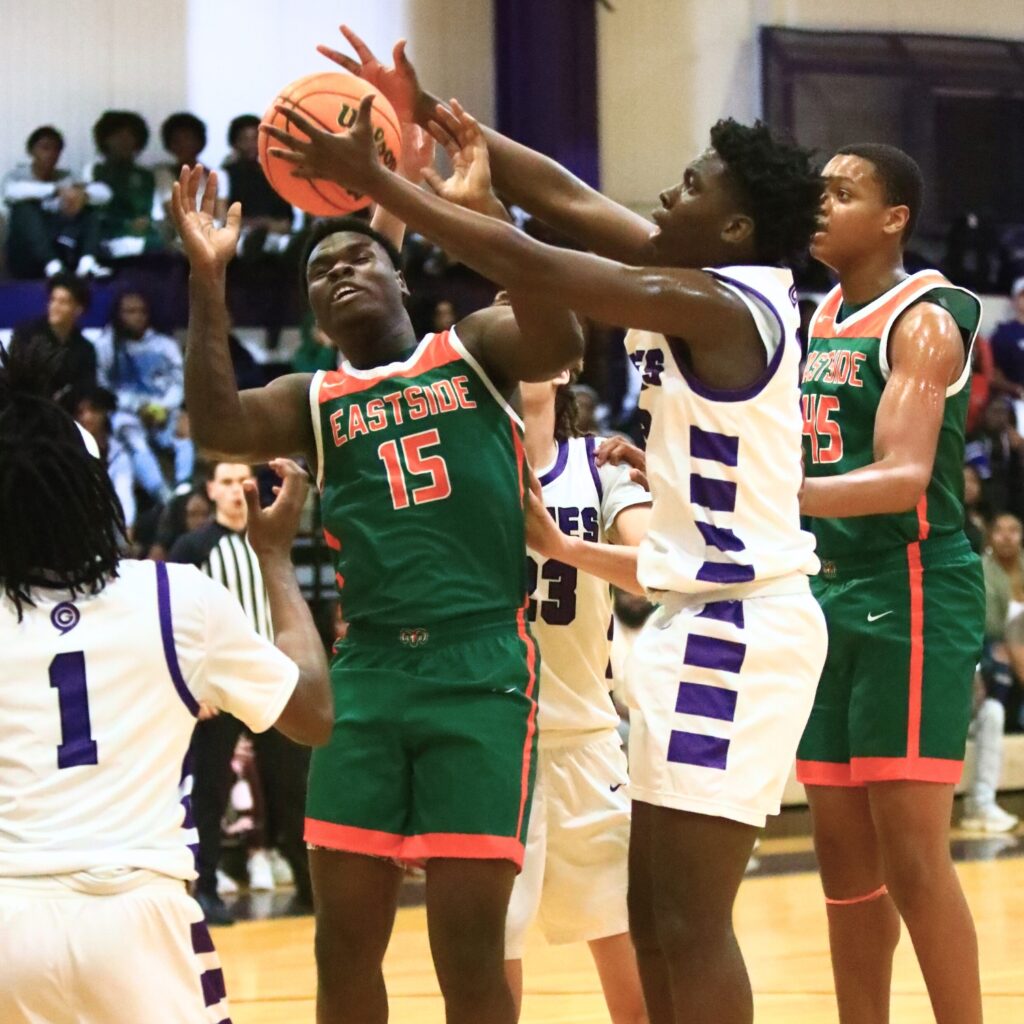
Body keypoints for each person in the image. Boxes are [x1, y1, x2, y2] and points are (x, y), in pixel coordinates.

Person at [270, 30, 826, 1024]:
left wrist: (380, 183)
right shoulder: (701, 272)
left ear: (734, 224)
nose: (666, 198)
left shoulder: (713, 303)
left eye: (689, 186)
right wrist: (430, 116)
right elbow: (564, 200)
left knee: (690, 924)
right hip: (692, 620)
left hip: (741, 628)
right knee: (652, 918)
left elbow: (524, 252)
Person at [169, 154, 582, 1023]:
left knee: (468, 953)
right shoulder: (309, 396)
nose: (341, 271)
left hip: (482, 668)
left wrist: (488, 220)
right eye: (322, 270)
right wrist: (209, 278)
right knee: (341, 946)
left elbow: (562, 339)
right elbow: (215, 426)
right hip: (367, 674)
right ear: (314, 310)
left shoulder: (472, 348)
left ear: (401, 271)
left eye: (360, 257)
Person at [0, 340, 332, 1024]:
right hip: (137, 917)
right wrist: (273, 560)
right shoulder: (173, 597)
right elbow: (313, 714)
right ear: (96, 491)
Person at [795, 144, 986, 1024]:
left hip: (911, 586)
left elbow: (904, 474)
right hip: (827, 588)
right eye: (820, 192)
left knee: (913, 855)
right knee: (842, 861)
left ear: (895, 217)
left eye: (845, 193)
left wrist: (772, 492)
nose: (822, 204)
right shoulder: (821, 316)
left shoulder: (923, 318)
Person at [511, 367, 652, 1024]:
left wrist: (566, 547)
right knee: (493, 949)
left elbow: (658, 571)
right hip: (493, 740)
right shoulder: (463, 466)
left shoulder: (597, 466)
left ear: (563, 362)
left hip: (586, 736)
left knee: (624, 937)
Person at [169, 461, 316, 924]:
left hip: (271, 679)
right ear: (211, 490)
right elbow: (173, 619)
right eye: (226, 482)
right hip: (216, 688)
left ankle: (311, 885)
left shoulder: (269, 541)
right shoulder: (193, 547)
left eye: (241, 482)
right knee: (210, 792)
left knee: (295, 787)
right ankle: (206, 889)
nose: (235, 491)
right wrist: (193, 687)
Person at [92, 289, 194, 492]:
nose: (136, 317)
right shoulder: (105, 346)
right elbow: (103, 387)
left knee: (184, 429)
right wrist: (138, 407)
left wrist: (164, 407)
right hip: (125, 413)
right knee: (132, 436)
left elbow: (179, 382)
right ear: (118, 313)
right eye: (129, 311)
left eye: (141, 311)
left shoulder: (165, 345)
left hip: (163, 410)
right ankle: (163, 495)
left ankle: (184, 487)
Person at [2, 125, 110, 279]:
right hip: (27, 256)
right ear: (31, 151)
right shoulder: (16, 176)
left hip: (61, 247)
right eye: (45, 148)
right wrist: (57, 190)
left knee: (90, 208)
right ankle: (52, 266)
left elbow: (105, 193)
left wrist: (83, 195)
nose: (51, 154)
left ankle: (87, 263)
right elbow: (12, 192)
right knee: (23, 209)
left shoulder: (67, 176)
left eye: (56, 149)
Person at [8, 273, 96, 408]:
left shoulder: (84, 348)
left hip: (66, 413)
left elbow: (85, 386)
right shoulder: (27, 335)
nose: (55, 306)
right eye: (53, 300)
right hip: (26, 409)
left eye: (63, 302)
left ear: (78, 309)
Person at [85, 110, 163, 258]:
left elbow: (157, 213)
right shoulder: (94, 170)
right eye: (118, 136)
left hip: (144, 236)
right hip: (108, 233)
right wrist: (125, 225)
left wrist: (148, 223)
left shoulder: (146, 175)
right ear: (105, 140)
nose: (124, 142)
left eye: (130, 137)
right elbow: (91, 212)